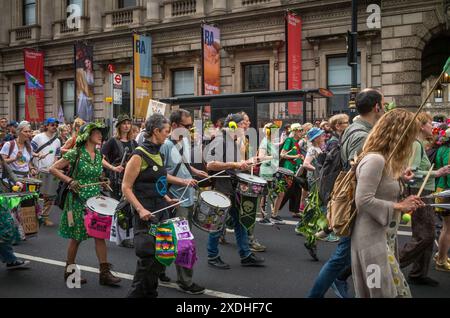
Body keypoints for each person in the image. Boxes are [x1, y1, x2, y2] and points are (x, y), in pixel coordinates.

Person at [307, 88, 385, 298]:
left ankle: (337, 283)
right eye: (383, 104)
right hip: (355, 204)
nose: (384, 108)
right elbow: (359, 172)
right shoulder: (362, 135)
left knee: (345, 255)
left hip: (353, 201)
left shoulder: (356, 128)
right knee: (341, 256)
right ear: (377, 107)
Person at [352, 109, 423, 298]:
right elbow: (363, 200)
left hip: (382, 237)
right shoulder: (375, 160)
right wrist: (399, 206)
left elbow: (380, 187)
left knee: (391, 291)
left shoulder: (384, 160)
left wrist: (400, 178)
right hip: (370, 240)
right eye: (410, 135)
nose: (413, 141)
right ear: (399, 134)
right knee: (379, 291)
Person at [50, 122, 124, 287]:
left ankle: (104, 273)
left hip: (95, 201)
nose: (100, 135)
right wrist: (69, 180)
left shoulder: (98, 155)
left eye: (100, 133)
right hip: (76, 200)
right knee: (77, 238)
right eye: (97, 133)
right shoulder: (76, 152)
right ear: (87, 135)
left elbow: (96, 175)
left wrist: (102, 181)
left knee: (99, 235)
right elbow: (53, 169)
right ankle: (70, 273)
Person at [121, 114, 179, 298]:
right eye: (166, 132)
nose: (168, 135)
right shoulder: (139, 155)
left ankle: (151, 293)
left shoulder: (159, 153)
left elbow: (158, 180)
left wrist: (168, 197)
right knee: (147, 257)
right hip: (145, 211)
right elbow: (126, 187)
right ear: (156, 131)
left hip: (161, 209)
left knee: (163, 254)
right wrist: (140, 209)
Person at [205, 113, 265, 269]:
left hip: (233, 187)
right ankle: (212, 256)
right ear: (232, 126)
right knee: (217, 224)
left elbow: (233, 165)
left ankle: (245, 255)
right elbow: (210, 165)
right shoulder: (220, 140)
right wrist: (235, 164)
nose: (245, 127)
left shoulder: (233, 141)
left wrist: (244, 164)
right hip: (222, 189)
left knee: (241, 222)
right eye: (242, 125)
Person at [159, 109, 207, 294]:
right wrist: (183, 181)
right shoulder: (164, 146)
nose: (190, 129)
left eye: (190, 126)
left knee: (170, 237)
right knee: (182, 241)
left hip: (188, 196)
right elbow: (160, 175)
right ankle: (185, 282)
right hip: (173, 199)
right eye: (187, 126)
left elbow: (183, 163)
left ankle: (159, 270)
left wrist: (194, 172)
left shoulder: (185, 141)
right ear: (174, 126)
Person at [399, 112, 450, 285]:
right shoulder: (416, 144)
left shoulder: (419, 143)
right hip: (419, 192)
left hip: (423, 191)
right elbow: (410, 173)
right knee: (425, 236)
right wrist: (438, 172)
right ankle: (393, 264)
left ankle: (418, 273)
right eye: (429, 123)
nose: (433, 126)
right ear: (421, 126)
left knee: (425, 235)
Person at [31, 118, 62, 227]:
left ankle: (45, 217)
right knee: (35, 195)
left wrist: (55, 167)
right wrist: (33, 165)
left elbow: (57, 156)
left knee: (50, 196)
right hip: (38, 170)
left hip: (51, 171)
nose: (55, 126)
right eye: (52, 124)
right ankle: (34, 216)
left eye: (56, 125)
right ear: (46, 126)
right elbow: (30, 151)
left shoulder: (57, 141)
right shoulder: (38, 137)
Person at [272, 123, 304, 223]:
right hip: (288, 168)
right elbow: (283, 154)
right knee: (287, 189)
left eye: (301, 131)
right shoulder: (289, 140)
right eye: (299, 131)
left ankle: (294, 211)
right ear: (294, 131)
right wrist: (296, 157)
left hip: (294, 168)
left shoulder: (296, 142)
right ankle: (275, 210)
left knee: (297, 189)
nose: (301, 133)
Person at [102, 114, 137, 201]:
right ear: (119, 126)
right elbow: (99, 158)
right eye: (124, 123)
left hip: (131, 179)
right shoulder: (112, 141)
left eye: (128, 123)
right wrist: (113, 168)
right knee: (116, 204)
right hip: (116, 179)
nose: (126, 126)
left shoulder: (134, 142)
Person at [1, 121, 37, 187]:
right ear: (19, 132)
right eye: (25, 132)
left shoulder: (29, 147)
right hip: (10, 181)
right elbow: (2, 161)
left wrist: (32, 168)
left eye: (29, 131)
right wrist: (15, 159)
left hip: (25, 181)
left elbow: (28, 162)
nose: (28, 134)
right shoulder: (9, 144)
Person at [434, 128, 450, 272]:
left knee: (446, 227)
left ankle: (441, 255)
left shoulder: (442, 149)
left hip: (441, 189)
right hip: (447, 190)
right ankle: (441, 260)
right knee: (448, 228)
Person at [76, 58, 94, 122]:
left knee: (90, 113)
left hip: (92, 95)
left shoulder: (93, 73)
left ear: (91, 62)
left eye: (88, 62)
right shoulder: (83, 73)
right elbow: (81, 84)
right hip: (84, 94)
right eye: (86, 63)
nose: (87, 64)